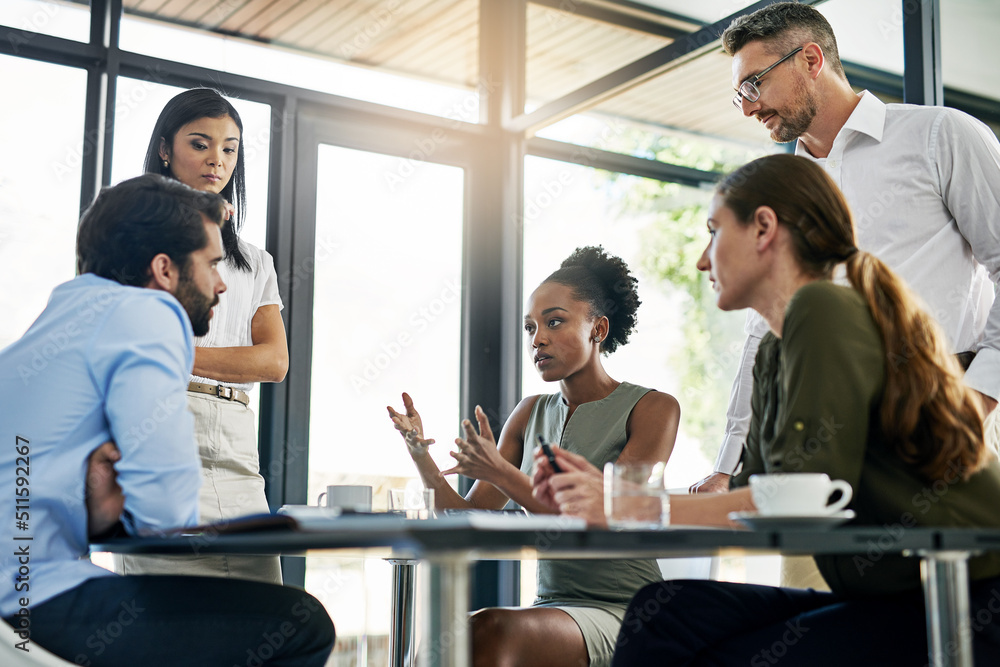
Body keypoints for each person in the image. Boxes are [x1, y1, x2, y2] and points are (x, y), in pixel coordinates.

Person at [535, 155, 1000, 665]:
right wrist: (613, 498)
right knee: (665, 609)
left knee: (714, 644)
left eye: (713, 232)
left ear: (763, 228)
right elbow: (751, 501)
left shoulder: (822, 309)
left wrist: (631, 506)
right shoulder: (776, 351)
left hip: (968, 602)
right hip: (894, 599)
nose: (702, 261)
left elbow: (800, 496)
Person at [0, 175, 334, 666]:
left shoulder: (60, 316)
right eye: (212, 265)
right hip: (33, 601)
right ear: (164, 269)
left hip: (19, 596)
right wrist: (120, 500)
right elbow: (166, 509)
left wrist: (100, 502)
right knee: (301, 623)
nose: (221, 284)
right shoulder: (151, 313)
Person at [691, 2, 1000, 498]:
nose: (748, 107)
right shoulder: (779, 193)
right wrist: (730, 464)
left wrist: (978, 398)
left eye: (754, 85)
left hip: (942, 426)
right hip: (819, 443)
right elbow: (760, 331)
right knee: (813, 576)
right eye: (739, 96)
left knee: (947, 574)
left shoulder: (941, 136)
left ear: (810, 60)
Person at [387, 246, 680, 667]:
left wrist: (503, 474)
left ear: (598, 329)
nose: (537, 338)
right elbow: (465, 520)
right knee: (443, 642)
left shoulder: (654, 408)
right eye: (529, 328)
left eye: (554, 322)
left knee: (488, 631)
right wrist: (419, 451)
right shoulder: (529, 413)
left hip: (628, 611)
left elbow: (608, 515)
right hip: (553, 605)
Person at [114, 88, 287, 584]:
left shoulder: (255, 261)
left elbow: (273, 363)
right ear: (165, 149)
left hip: (235, 442)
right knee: (163, 618)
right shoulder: (131, 236)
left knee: (259, 612)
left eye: (230, 148)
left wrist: (174, 351)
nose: (217, 159)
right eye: (200, 143)